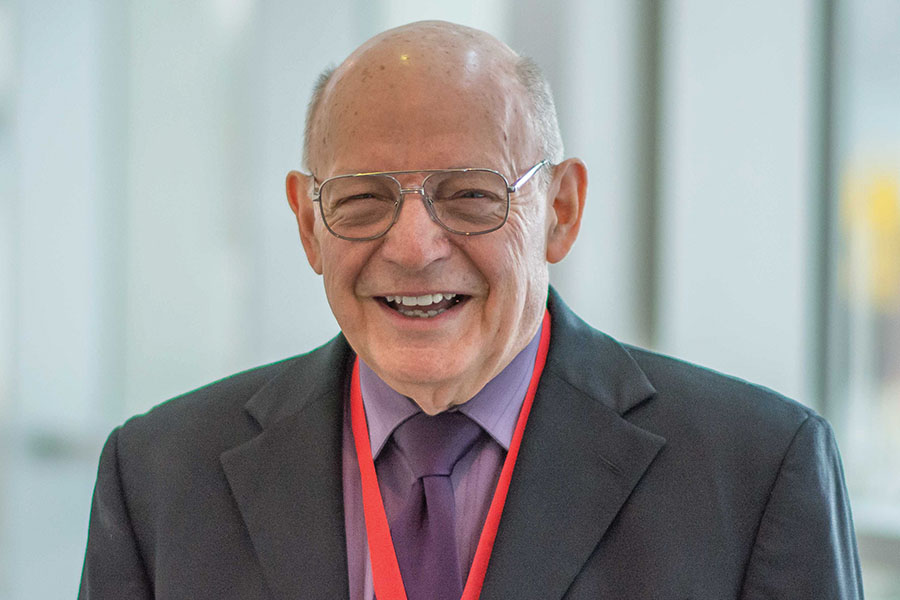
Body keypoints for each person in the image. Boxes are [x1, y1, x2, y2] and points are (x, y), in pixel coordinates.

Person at [79, 20, 863, 600]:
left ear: (561, 209)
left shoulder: (756, 473)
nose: (415, 245)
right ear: (308, 223)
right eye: (362, 199)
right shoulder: (158, 478)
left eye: (471, 196)